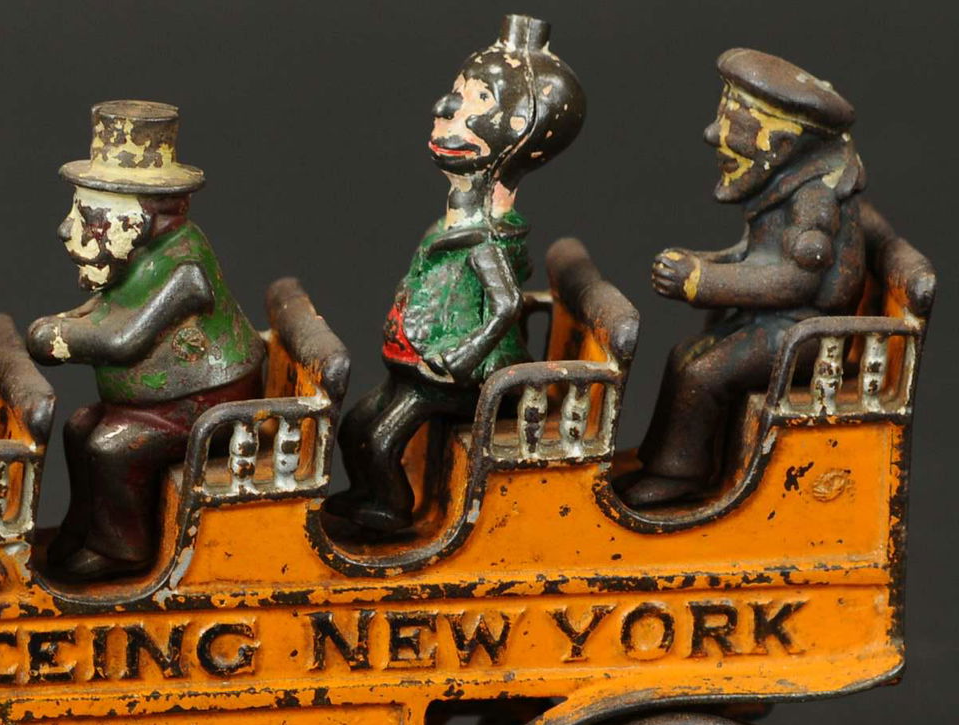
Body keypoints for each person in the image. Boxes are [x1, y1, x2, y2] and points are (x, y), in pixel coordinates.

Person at [326, 15, 585, 535]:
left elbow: (506, 303)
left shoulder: (484, 238)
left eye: (478, 99)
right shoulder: (459, 222)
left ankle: (390, 505)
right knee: (355, 426)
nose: (446, 108)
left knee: (381, 438)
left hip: (459, 375)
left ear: (519, 132)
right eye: (458, 92)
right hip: (418, 363)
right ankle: (367, 493)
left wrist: (464, 354)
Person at [25, 100, 265, 581]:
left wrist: (60, 337)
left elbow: (123, 341)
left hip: (204, 406)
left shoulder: (185, 269)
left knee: (113, 448)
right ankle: (85, 525)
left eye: (88, 214)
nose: (68, 228)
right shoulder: (136, 257)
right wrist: (60, 325)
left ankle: (123, 548)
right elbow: (102, 311)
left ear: (143, 216)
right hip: (155, 402)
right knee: (79, 428)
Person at [619, 49, 866, 508]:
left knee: (703, 374)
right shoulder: (788, 186)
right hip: (777, 324)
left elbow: (798, 281)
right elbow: (757, 254)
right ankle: (666, 463)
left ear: (785, 142)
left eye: (735, 125)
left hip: (805, 335)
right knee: (684, 355)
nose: (715, 135)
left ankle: (680, 475)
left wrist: (703, 281)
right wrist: (708, 262)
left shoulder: (814, 203)